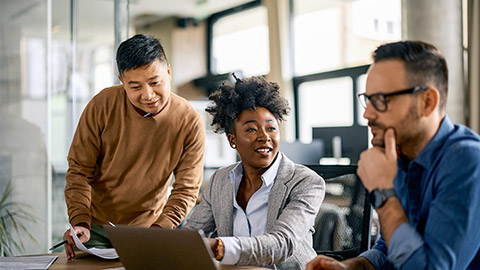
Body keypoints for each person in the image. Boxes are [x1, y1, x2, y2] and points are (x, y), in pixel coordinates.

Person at [306, 40, 480, 270]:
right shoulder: (400, 156)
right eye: (367, 99)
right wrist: (352, 267)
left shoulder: (467, 161)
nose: (367, 113)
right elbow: (390, 247)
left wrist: (383, 191)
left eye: (380, 100)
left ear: (427, 102)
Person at [63, 34, 205, 259]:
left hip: (152, 229)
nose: (148, 95)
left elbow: (186, 189)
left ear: (168, 71)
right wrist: (79, 220)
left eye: (155, 82)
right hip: (96, 229)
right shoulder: (102, 105)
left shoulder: (189, 121)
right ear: (121, 80)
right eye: (135, 86)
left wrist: (160, 229)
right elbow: (79, 171)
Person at [183, 75, 325, 269]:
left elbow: (282, 244)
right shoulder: (220, 180)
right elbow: (192, 233)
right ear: (232, 140)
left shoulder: (306, 182)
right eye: (251, 129)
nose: (264, 137)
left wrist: (220, 247)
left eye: (271, 128)